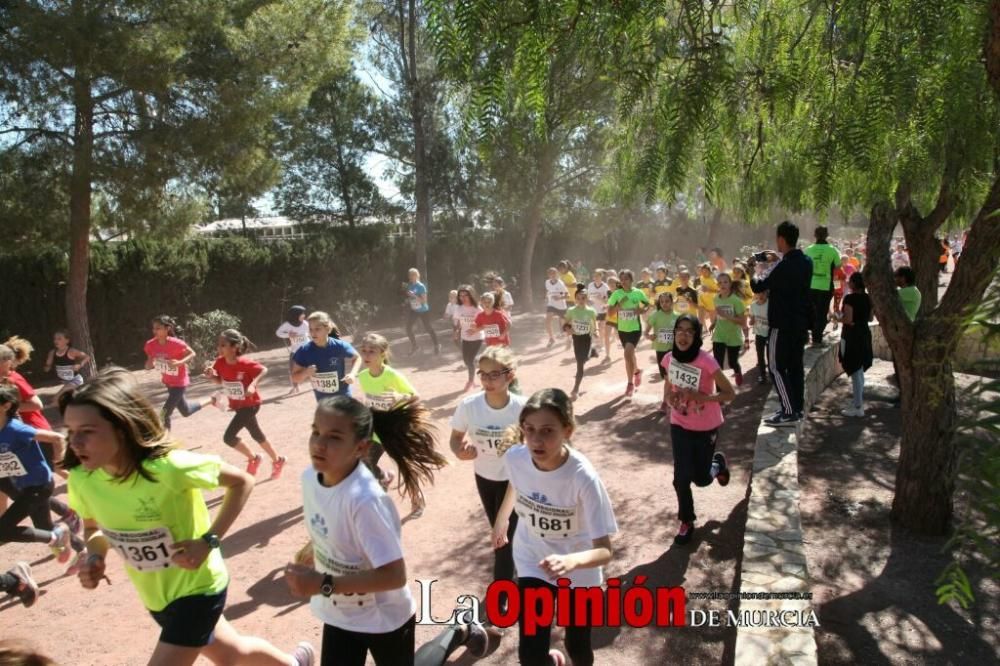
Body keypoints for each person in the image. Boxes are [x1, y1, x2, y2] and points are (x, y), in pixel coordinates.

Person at [62, 369, 314, 666]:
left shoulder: (168, 468)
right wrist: (94, 557)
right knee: (233, 654)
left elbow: (241, 481)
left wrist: (208, 541)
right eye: (70, 432)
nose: (75, 442)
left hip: (199, 588)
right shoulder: (82, 479)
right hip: (157, 595)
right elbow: (93, 528)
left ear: (121, 428)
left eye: (87, 431)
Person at [282, 395, 449, 666]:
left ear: (361, 448)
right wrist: (313, 549)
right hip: (339, 613)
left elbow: (394, 576)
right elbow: (330, 523)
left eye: (334, 437)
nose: (319, 444)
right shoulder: (310, 478)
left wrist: (323, 583)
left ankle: (453, 635)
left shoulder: (366, 501)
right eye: (315, 432)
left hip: (384, 619)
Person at [492, 388, 617, 666]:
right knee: (530, 653)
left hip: (579, 568)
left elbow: (605, 551)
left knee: (578, 645)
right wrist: (502, 519)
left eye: (547, 431)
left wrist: (571, 560)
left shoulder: (582, 477)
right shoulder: (516, 457)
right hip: (532, 558)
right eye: (529, 429)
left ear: (567, 430)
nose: (536, 440)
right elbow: (517, 483)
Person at [449, 347, 527, 615]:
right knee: (503, 531)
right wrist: (460, 451)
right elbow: (455, 439)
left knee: (502, 534)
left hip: (515, 481)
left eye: (495, 375)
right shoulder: (469, 406)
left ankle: (502, 589)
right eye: (483, 374)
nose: (487, 380)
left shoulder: (523, 407)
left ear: (510, 375)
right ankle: (512, 573)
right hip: (485, 478)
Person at [661, 315, 735, 544]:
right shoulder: (668, 359)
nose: (683, 335)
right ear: (674, 334)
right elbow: (667, 389)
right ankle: (687, 521)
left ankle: (717, 464)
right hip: (680, 424)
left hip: (706, 426)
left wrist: (702, 397)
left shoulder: (706, 361)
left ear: (696, 336)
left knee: (701, 479)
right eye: (679, 330)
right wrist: (670, 398)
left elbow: (729, 393)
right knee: (681, 478)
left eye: (689, 331)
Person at [0, 385, 83, 570]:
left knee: (2, 532)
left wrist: (59, 458)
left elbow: (56, 437)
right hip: (24, 486)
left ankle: (56, 537)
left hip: (38, 486)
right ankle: (82, 549)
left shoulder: (16, 429)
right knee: (43, 526)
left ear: (6, 406)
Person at [750, 220, 813, 426]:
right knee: (795, 367)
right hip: (800, 324)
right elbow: (788, 271)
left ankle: (787, 411)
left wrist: (752, 268)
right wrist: (778, 259)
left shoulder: (782, 267)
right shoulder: (806, 261)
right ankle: (797, 408)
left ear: (781, 239)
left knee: (776, 367)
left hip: (780, 325)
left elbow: (758, 287)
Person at [355, 333, 423, 515]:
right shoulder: (362, 376)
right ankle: (383, 478)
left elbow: (416, 398)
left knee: (405, 467)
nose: (367, 355)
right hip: (376, 429)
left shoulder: (393, 375)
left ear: (383, 354)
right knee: (363, 461)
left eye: (372, 351)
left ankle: (417, 500)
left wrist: (398, 397)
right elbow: (371, 400)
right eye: (364, 351)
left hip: (396, 429)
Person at [204, 330, 286, 478]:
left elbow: (263, 370)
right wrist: (211, 376)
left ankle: (253, 458)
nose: (219, 348)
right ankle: (277, 460)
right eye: (219, 345)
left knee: (228, 437)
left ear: (235, 347)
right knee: (256, 434)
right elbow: (220, 381)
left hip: (250, 404)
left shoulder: (244, 363)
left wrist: (253, 384)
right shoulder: (220, 362)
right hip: (237, 405)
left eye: (223, 345)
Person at [144, 316, 210, 431]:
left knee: (164, 414)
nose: (155, 331)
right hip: (168, 382)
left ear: (167, 328)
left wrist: (180, 362)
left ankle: (166, 442)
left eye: (158, 328)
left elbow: (192, 353)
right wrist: (149, 364)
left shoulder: (176, 343)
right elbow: (149, 363)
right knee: (186, 411)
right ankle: (212, 399)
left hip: (180, 383)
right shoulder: (150, 345)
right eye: (154, 328)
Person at [292, 312, 361, 401]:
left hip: (343, 396)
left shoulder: (339, 346)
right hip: (323, 402)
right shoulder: (304, 351)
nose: (313, 333)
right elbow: (294, 378)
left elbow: (357, 357)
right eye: (311, 329)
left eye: (317, 329)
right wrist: (305, 373)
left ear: (327, 329)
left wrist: (353, 374)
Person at [607, 269, 651, 396]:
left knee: (627, 354)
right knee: (630, 355)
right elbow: (610, 313)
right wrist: (618, 306)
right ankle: (637, 371)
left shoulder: (638, 293)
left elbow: (648, 305)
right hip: (622, 330)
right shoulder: (616, 294)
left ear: (632, 280)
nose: (624, 281)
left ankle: (630, 384)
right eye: (622, 279)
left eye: (626, 279)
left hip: (635, 329)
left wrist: (641, 310)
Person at [837, 273, 873, 417]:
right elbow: (870, 318)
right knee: (859, 371)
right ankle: (857, 402)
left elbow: (848, 319)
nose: (848, 282)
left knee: (855, 370)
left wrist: (837, 317)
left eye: (850, 281)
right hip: (864, 333)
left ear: (854, 283)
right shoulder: (868, 298)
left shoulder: (850, 298)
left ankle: (858, 407)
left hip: (851, 335)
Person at [804, 226, 841, 346]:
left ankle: (810, 336)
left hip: (810, 286)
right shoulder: (833, 250)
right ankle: (817, 339)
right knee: (821, 312)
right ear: (827, 235)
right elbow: (837, 271)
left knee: (811, 311)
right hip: (826, 287)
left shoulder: (808, 250)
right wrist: (837, 288)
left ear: (815, 235)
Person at [710, 273, 747, 387]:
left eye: (725, 282)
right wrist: (714, 323)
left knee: (732, 362)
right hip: (719, 336)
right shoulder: (716, 298)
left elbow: (742, 322)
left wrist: (726, 316)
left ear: (730, 284)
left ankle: (737, 371)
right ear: (717, 285)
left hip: (733, 336)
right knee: (717, 366)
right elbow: (718, 314)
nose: (723, 284)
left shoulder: (737, 301)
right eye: (720, 282)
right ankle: (720, 393)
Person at [563, 287, 598, 400]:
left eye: (583, 298)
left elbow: (594, 322)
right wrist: (568, 329)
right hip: (576, 338)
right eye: (578, 298)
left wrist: (596, 331)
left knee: (581, 363)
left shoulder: (591, 311)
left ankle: (576, 389)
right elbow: (565, 324)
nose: (581, 300)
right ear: (576, 299)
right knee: (581, 361)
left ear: (586, 298)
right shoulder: (571, 310)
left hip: (587, 338)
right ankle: (591, 353)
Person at [452, 285, 484, 392]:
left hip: (477, 338)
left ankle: (470, 381)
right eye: (461, 296)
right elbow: (457, 321)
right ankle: (474, 376)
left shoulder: (478, 308)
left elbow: (485, 323)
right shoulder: (458, 308)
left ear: (471, 295)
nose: (463, 298)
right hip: (465, 338)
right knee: (466, 361)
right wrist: (456, 331)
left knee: (469, 360)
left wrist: (477, 329)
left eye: (466, 295)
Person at [43, 330, 90, 403]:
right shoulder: (52, 352)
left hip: (75, 380)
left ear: (67, 341)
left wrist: (80, 364)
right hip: (65, 382)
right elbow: (47, 366)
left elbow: (87, 357)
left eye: (59, 339)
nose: (56, 341)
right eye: (55, 339)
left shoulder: (71, 351)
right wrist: (47, 366)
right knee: (71, 402)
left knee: (56, 398)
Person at [403, 268, 441, 356]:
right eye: (410, 275)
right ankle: (415, 346)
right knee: (408, 328)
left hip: (423, 310)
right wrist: (408, 299)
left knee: (428, 328)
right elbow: (411, 298)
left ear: (417, 275)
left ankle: (436, 345)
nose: (411, 277)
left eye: (413, 275)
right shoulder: (410, 286)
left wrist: (414, 296)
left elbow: (424, 301)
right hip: (414, 310)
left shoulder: (421, 286)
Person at [276, 305, 310, 395]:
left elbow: (312, 332)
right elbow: (278, 333)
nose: (304, 315)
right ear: (296, 315)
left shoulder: (305, 324)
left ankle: (318, 382)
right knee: (292, 369)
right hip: (295, 351)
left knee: (315, 365)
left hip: (308, 349)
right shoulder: (287, 325)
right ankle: (295, 387)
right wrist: (288, 335)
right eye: (302, 314)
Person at [647, 291, 677, 386]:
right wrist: (649, 336)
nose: (664, 303)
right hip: (660, 349)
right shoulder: (655, 315)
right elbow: (646, 332)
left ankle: (670, 398)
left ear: (672, 302)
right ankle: (670, 396)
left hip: (674, 349)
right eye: (662, 302)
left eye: (667, 301)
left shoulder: (678, 316)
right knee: (665, 376)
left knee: (673, 375)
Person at [585, 270, 610, 357]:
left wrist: (601, 299)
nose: (596, 278)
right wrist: (588, 302)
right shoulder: (590, 285)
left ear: (601, 276)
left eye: (598, 276)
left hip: (602, 310)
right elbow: (588, 297)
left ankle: (601, 344)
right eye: (594, 276)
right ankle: (595, 343)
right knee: (593, 328)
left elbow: (608, 300)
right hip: (593, 310)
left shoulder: (605, 287)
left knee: (601, 327)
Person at [544, 268, 569, 348]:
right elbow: (548, 291)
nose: (553, 275)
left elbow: (567, 296)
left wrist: (559, 298)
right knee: (547, 320)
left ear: (557, 274)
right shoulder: (547, 282)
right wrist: (546, 296)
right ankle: (551, 339)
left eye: (554, 273)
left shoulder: (561, 284)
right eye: (551, 274)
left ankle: (568, 339)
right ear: (549, 275)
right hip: (551, 304)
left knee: (563, 324)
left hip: (561, 306)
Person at [749, 291, 770, 384]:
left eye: (763, 293)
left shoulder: (770, 304)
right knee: (760, 355)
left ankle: (772, 374)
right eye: (759, 293)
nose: (761, 295)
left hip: (769, 334)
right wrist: (751, 322)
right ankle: (763, 375)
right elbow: (752, 319)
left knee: (770, 355)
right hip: (759, 334)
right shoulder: (753, 305)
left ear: (767, 294)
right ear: (755, 294)